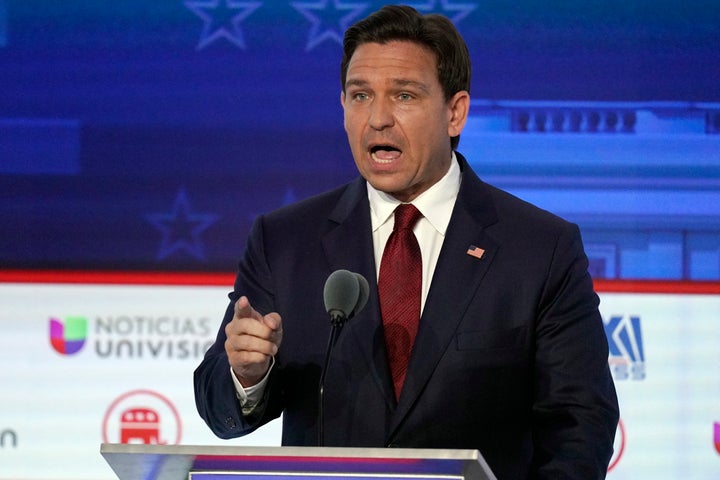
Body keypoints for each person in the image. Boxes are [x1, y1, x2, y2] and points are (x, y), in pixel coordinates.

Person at [194, 5, 619, 479]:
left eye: (404, 95)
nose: (377, 119)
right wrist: (247, 375)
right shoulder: (285, 240)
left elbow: (580, 427)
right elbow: (218, 408)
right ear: (342, 108)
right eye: (359, 96)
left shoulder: (540, 249)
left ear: (455, 113)